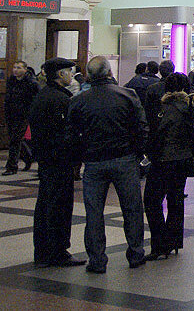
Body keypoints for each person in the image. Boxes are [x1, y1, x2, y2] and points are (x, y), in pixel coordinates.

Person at [66, 56, 148, 273]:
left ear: (88, 76)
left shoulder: (79, 100)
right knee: (132, 209)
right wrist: (138, 154)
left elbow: (71, 135)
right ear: (110, 72)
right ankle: (136, 253)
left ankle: (97, 260)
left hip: (93, 162)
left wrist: (80, 157)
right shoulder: (127, 95)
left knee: (94, 213)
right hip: (124, 159)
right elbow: (141, 128)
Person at [27, 57, 84, 268]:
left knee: (46, 205)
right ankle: (57, 251)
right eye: (69, 71)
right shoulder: (59, 100)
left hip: (47, 161)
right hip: (58, 162)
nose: (71, 75)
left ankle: (43, 251)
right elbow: (63, 134)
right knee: (58, 207)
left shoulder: (44, 96)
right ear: (60, 74)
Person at [143, 72, 194, 260]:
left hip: (164, 160)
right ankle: (174, 240)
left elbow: (156, 135)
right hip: (183, 160)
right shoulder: (191, 108)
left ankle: (160, 244)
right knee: (175, 200)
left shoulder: (166, 109)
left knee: (152, 201)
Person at [4, 60, 39, 174]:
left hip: (24, 114)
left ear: (25, 69)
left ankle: (12, 166)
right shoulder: (11, 81)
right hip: (11, 113)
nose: (15, 70)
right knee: (15, 139)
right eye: (14, 67)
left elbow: (36, 99)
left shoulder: (31, 82)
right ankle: (28, 157)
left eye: (19, 67)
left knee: (15, 140)